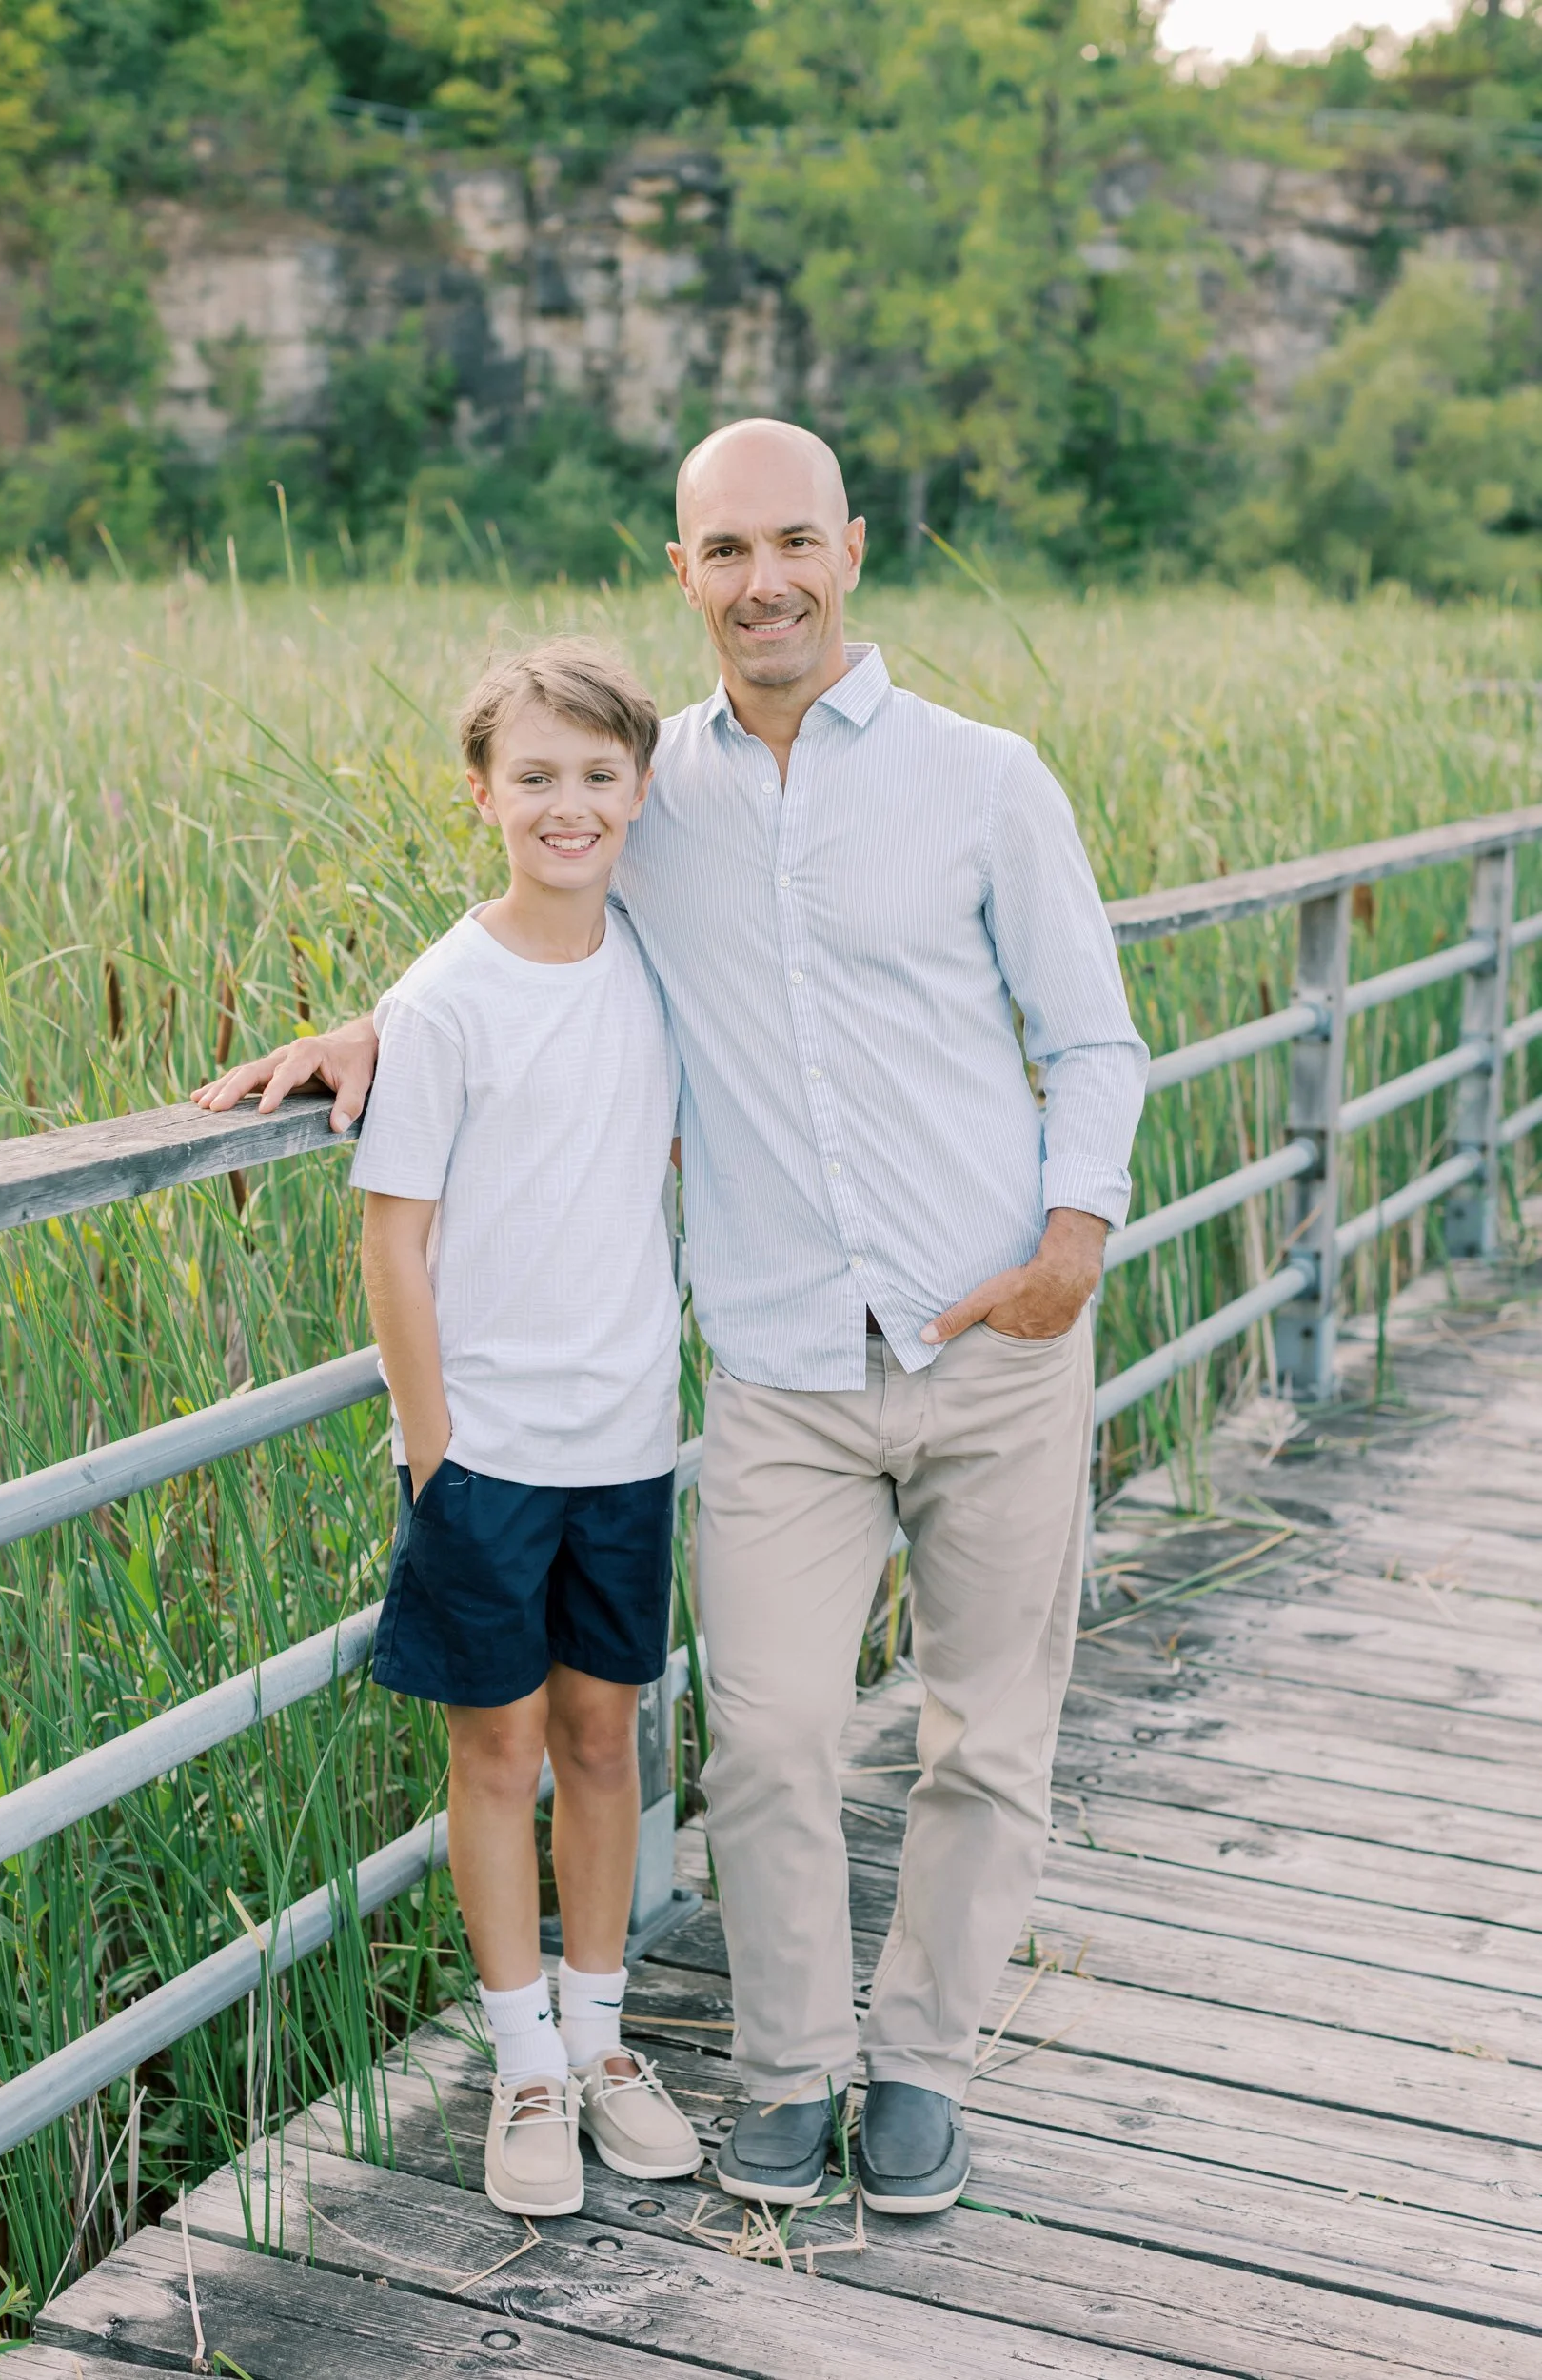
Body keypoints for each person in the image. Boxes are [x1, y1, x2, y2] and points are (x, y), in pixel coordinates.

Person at [196, 417, 1148, 2218]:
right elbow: (527, 915)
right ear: (682, 572)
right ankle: (787, 2077)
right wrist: (375, 1037)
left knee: (984, 1738)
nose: (764, 579)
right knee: (767, 1737)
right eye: (726, 551)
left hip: (997, 1343)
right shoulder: (661, 792)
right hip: (782, 1366)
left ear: (851, 550)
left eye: (795, 541)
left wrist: (1070, 1241)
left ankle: (923, 2070)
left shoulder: (985, 777)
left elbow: (1092, 1035)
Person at [346, 639, 702, 2218]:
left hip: (627, 1437)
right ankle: (524, 2068)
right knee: (495, 1755)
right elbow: (394, 1243)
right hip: (486, 1455)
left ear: (639, 792)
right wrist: (435, 1458)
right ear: (481, 794)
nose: (569, 806)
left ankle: (605, 2037)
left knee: (606, 1743)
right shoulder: (442, 999)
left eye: (600, 776)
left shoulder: (655, 962)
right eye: (535, 777)